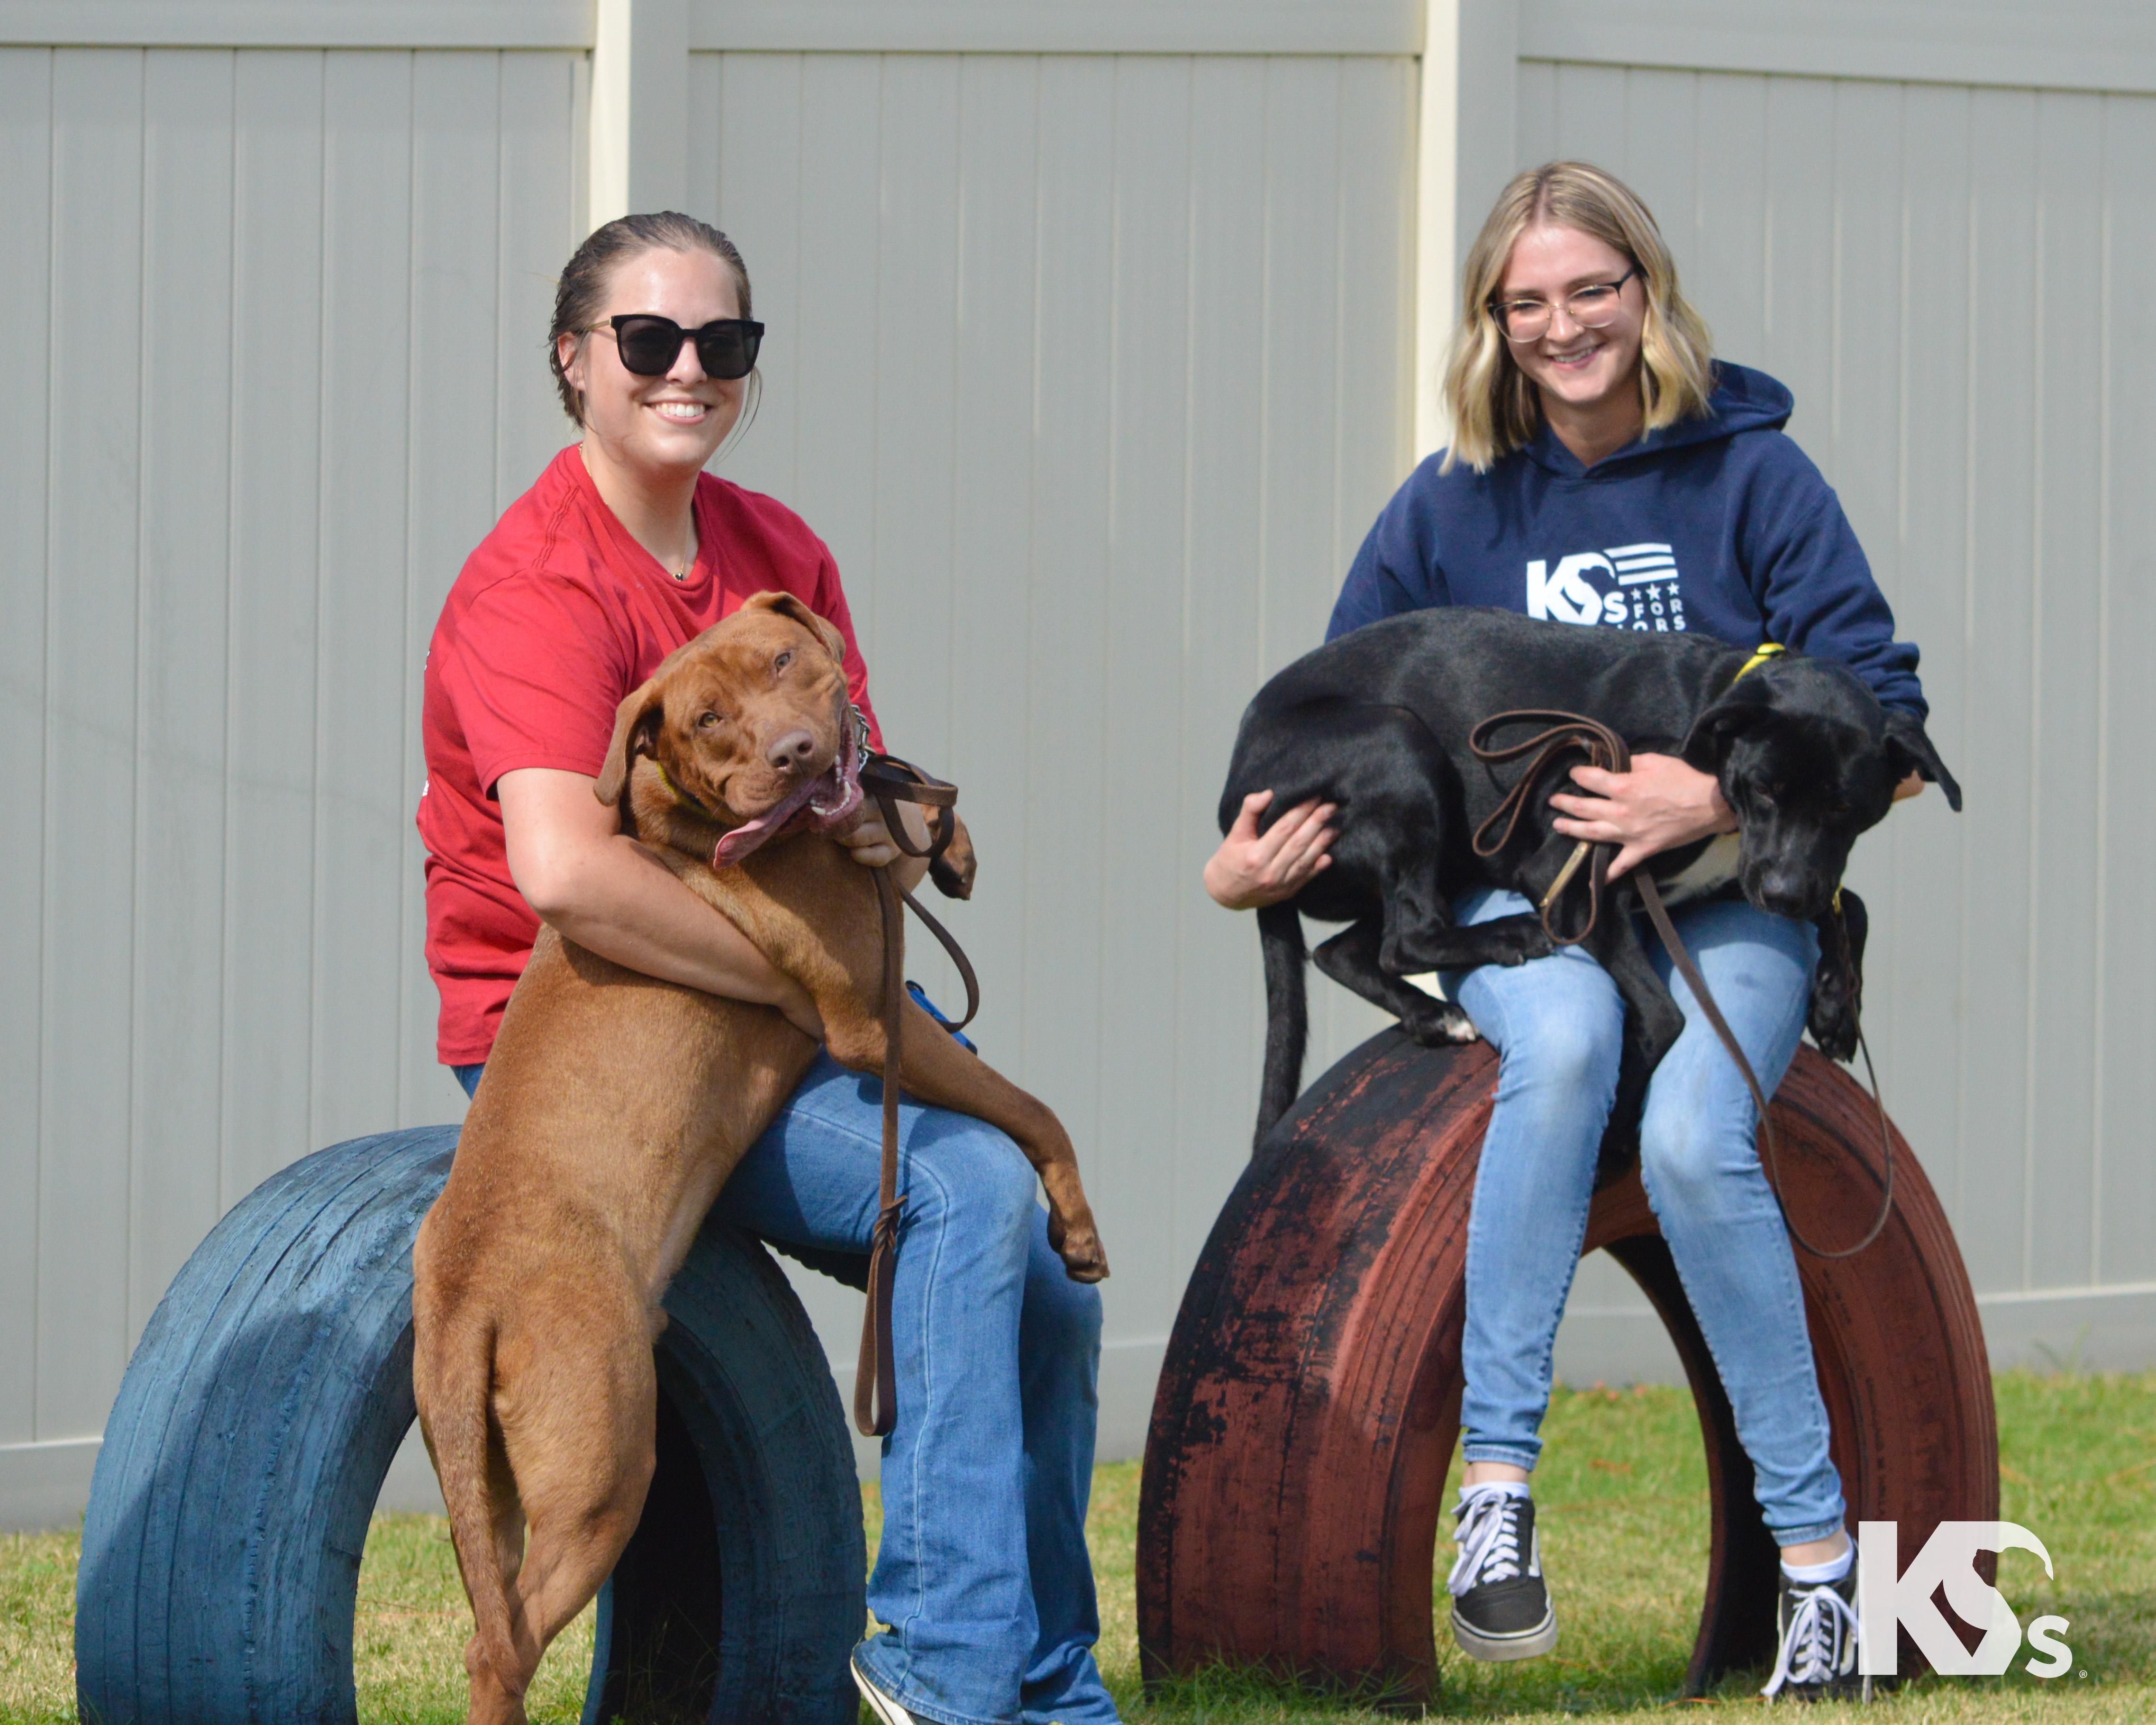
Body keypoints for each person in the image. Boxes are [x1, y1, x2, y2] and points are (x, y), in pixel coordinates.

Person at [1203, 161, 1932, 1701]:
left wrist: (1710, 806)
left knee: (1695, 1145)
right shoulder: (1452, 498)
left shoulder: (1757, 479)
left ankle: (1817, 1573)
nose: (1563, 327)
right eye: (1527, 301)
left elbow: (1885, 721)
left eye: (1592, 290)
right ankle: (1497, 1493)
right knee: (1569, 1036)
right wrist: (1248, 869)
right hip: (1514, 896)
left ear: (1646, 293)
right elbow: (1350, 701)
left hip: (1721, 896)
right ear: (1494, 321)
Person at [418, 210, 1118, 1725]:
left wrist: (894, 825)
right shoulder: (537, 587)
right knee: (967, 1187)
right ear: (574, 358)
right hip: (605, 1048)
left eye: (721, 341)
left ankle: (1047, 1681)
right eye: (647, 340)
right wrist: (817, 992)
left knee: (1051, 1294)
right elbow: (569, 877)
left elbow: (851, 782)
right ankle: (944, 1671)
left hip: (781, 1010)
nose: (688, 369)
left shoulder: (776, 555)